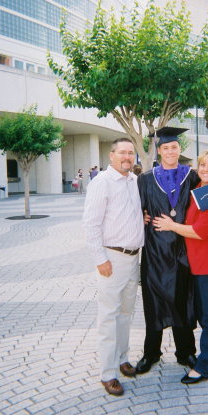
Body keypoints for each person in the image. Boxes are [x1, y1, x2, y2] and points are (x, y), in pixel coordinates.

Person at [135, 127, 208, 374]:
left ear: (180, 150)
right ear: (159, 151)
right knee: (153, 303)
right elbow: (132, 208)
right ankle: (151, 353)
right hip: (155, 252)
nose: (170, 151)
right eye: (166, 148)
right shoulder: (145, 179)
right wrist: (143, 216)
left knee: (182, 301)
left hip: (183, 252)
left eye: (174, 147)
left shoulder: (192, 176)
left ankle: (185, 352)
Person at [83, 138, 144, 396]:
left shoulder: (132, 181)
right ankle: (108, 374)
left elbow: (130, 214)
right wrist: (100, 259)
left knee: (125, 314)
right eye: (122, 153)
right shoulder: (101, 183)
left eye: (130, 153)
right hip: (112, 259)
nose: (127, 157)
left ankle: (122, 359)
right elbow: (91, 224)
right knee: (108, 316)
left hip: (133, 259)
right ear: (111, 156)